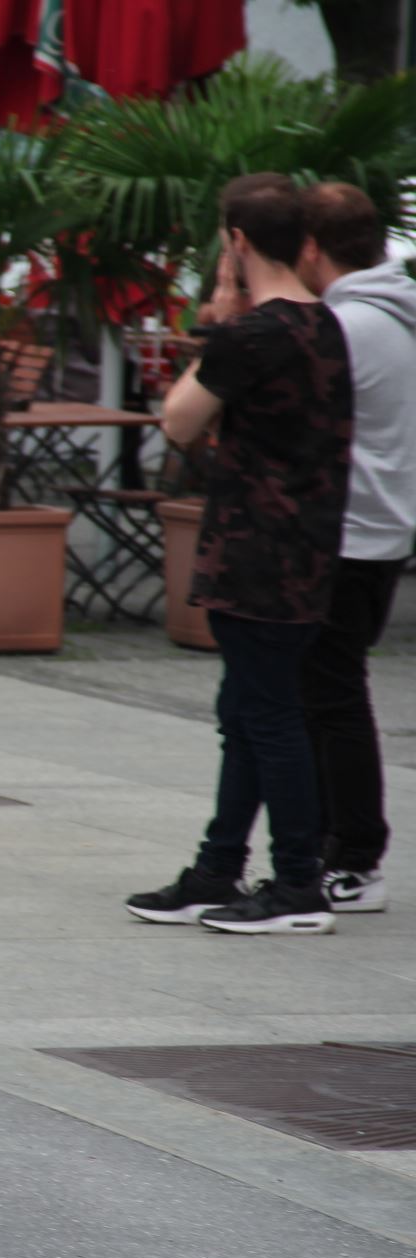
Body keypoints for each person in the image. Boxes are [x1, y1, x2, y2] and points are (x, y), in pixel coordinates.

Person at [125, 174, 354, 935]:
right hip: (308, 545)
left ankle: (297, 884)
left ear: (237, 242)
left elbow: (178, 420)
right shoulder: (326, 324)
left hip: (255, 549)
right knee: (249, 712)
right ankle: (218, 869)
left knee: (268, 717)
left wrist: (222, 313)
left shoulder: (251, 334)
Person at [293, 181, 416, 913]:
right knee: (332, 692)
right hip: (383, 527)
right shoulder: (395, 312)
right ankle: (337, 848)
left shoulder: (345, 326)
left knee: (332, 697)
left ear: (311, 248)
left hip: (347, 531)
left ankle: (355, 857)